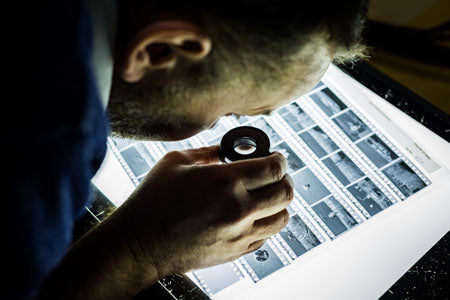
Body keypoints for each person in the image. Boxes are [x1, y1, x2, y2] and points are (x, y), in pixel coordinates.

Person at [13, 0, 369, 299]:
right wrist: (143, 247)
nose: (216, 126)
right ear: (159, 50)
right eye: (228, 112)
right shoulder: (44, 146)